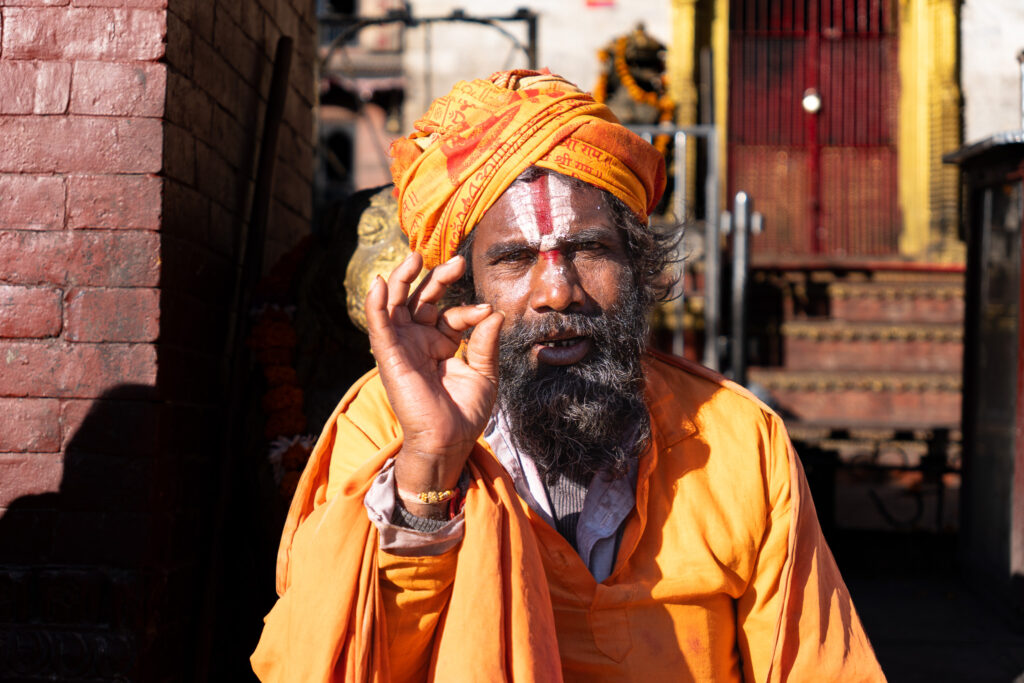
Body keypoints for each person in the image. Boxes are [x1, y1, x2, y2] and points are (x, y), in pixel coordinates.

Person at [251, 70, 884, 682]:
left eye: (590, 250)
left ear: (635, 261)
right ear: (462, 285)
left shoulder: (737, 438)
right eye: (515, 259)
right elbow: (338, 661)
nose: (558, 292)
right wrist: (432, 464)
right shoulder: (388, 420)